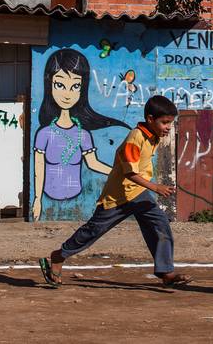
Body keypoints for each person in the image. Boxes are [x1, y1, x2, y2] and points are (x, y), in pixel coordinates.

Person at [39, 95, 192, 287]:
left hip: (138, 194)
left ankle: (166, 272)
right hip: (117, 196)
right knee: (93, 230)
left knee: (160, 225)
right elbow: (129, 173)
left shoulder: (153, 136)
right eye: (165, 123)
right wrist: (156, 187)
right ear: (151, 119)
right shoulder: (135, 138)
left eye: (170, 123)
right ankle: (59, 256)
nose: (168, 127)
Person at [31, 49, 127, 220]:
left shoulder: (83, 134)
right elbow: (39, 168)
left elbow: (93, 164)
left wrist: (118, 173)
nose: (67, 94)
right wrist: (37, 200)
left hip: (76, 197)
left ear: (82, 89)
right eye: (59, 85)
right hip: (49, 196)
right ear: (49, 85)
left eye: (75, 86)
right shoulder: (44, 133)